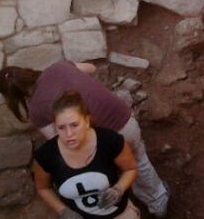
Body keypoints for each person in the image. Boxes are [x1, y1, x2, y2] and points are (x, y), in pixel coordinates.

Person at [0, 62, 169, 218]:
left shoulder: (35, 110)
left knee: (110, 174)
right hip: (123, 120)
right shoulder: (58, 67)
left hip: (102, 145)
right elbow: (91, 68)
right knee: (138, 161)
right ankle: (158, 202)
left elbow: (61, 141)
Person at [33, 90, 139, 219]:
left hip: (120, 214)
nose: (69, 134)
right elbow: (43, 188)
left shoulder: (109, 141)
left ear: (87, 121)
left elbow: (130, 169)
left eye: (74, 125)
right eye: (61, 127)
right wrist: (63, 210)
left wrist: (118, 188)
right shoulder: (46, 155)